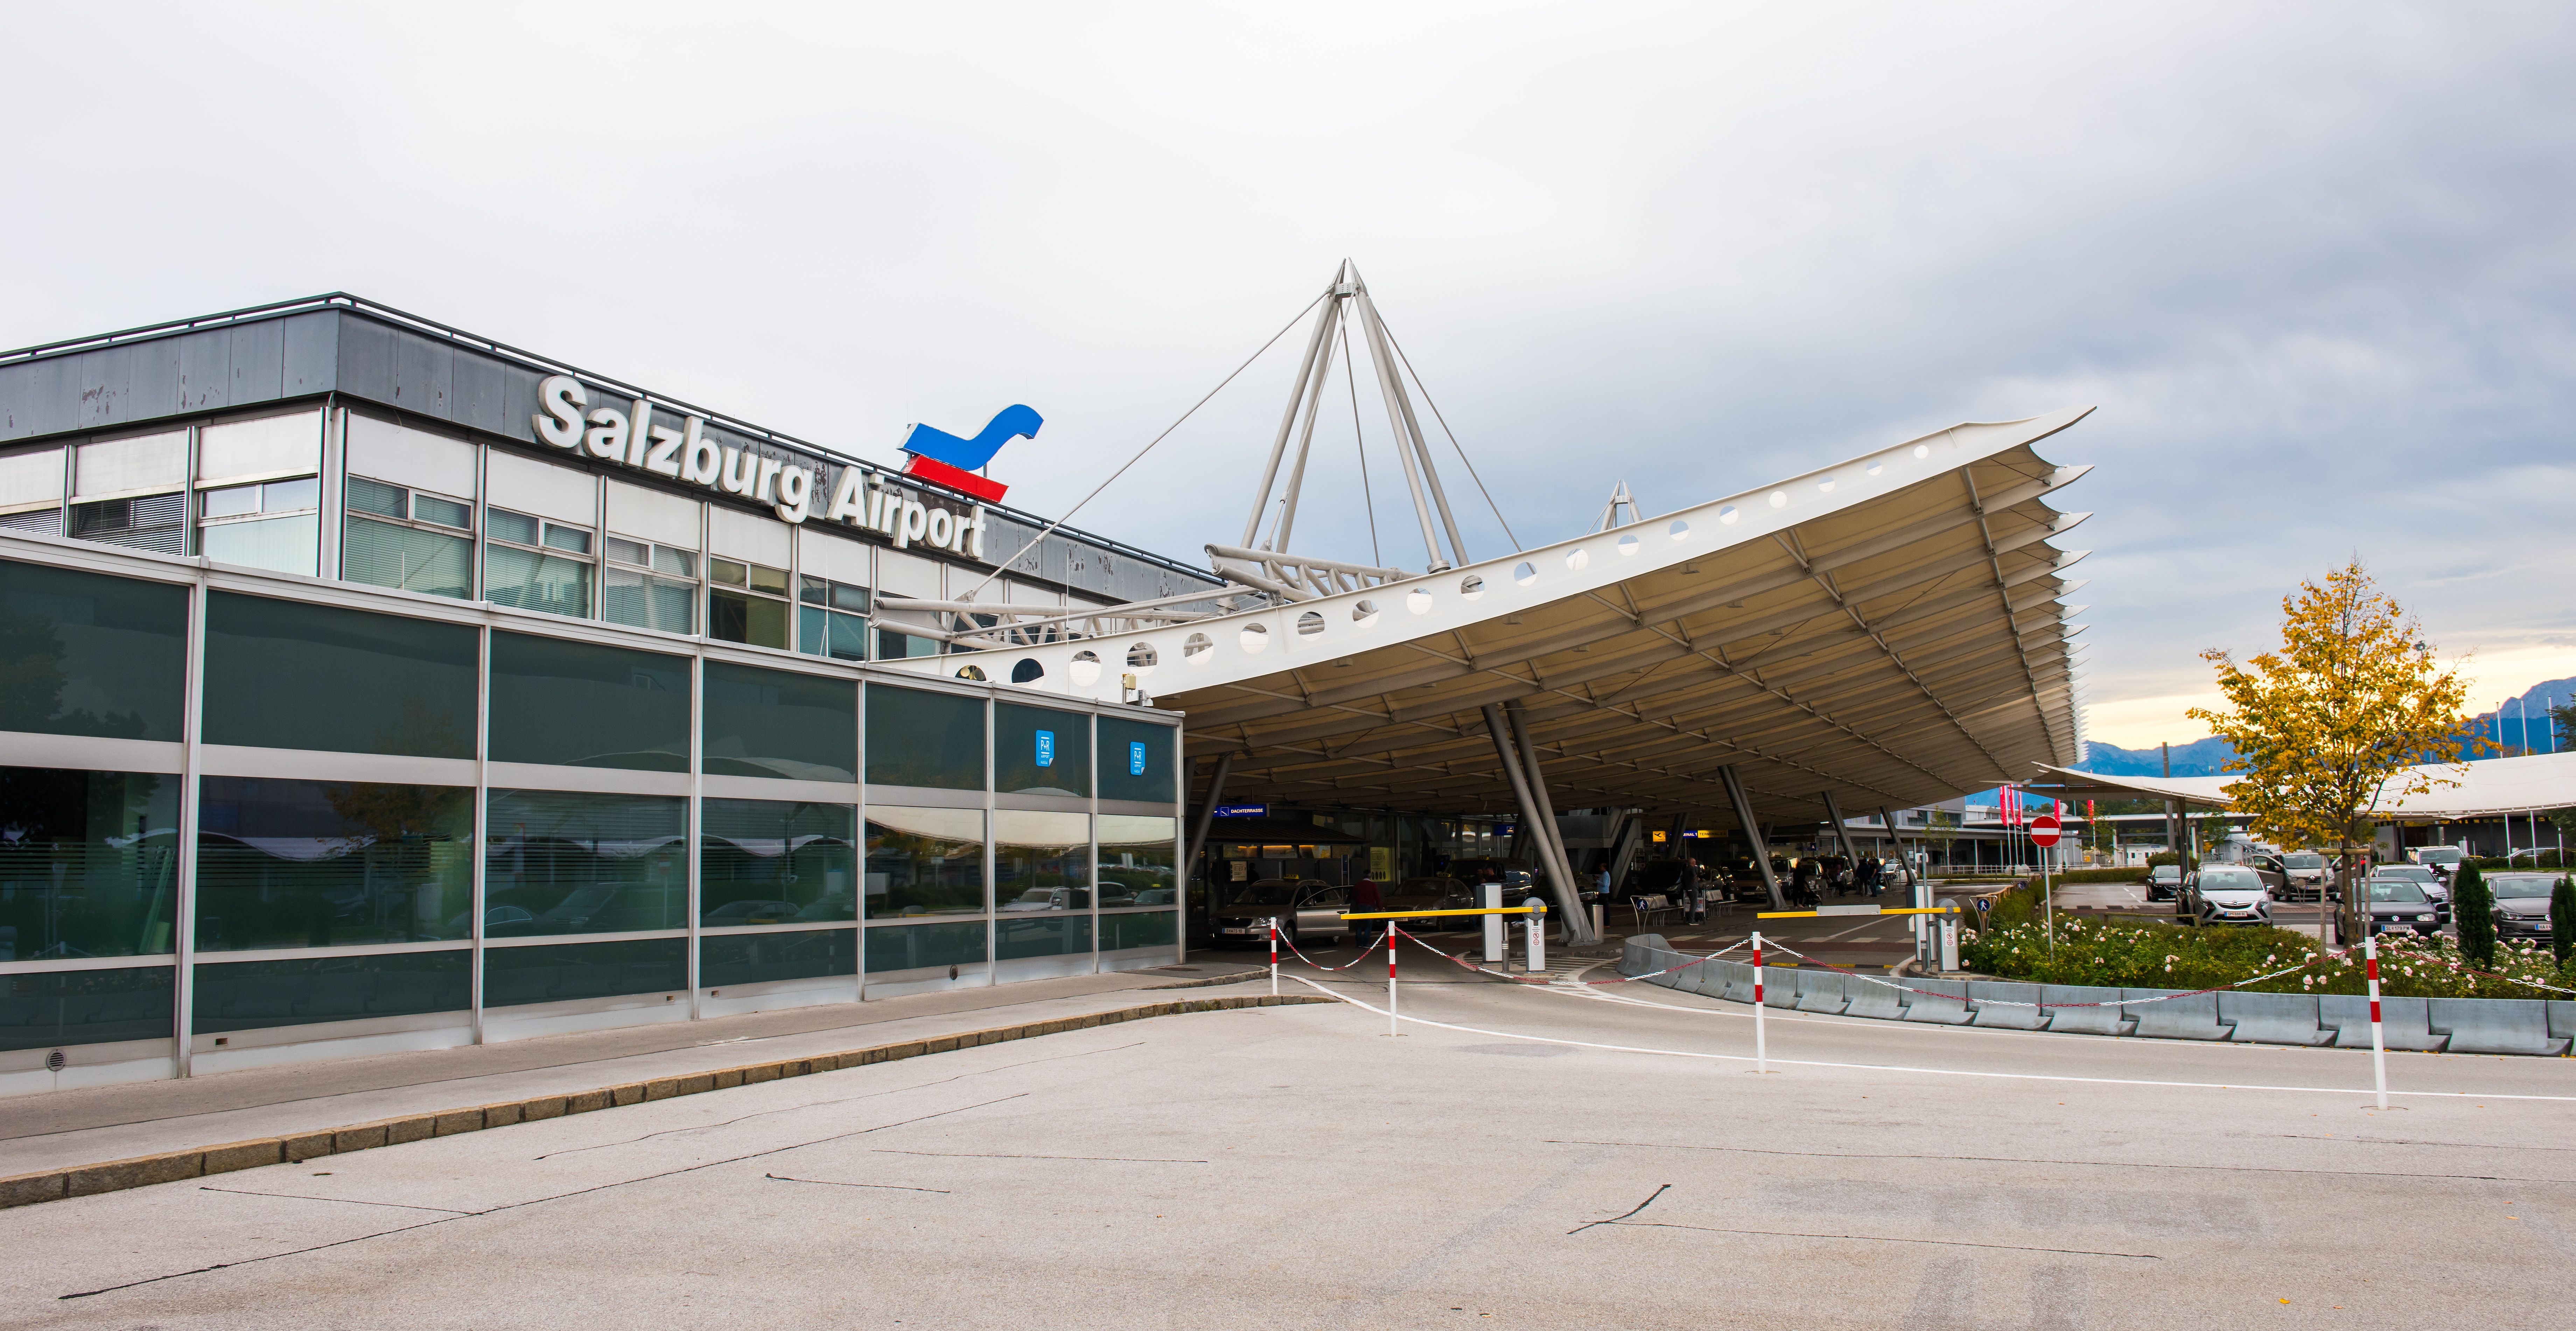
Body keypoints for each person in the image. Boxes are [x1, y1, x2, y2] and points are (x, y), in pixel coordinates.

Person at [1351, 876, 1384, 952]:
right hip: (1370, 906)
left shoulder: (1358, 885)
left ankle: (1359, 944)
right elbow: (1377, 897)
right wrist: (1380, 908)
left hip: (1360, 906)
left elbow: (1354, 897)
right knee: (1368, 926)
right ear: (1370, 877)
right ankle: (1366, 944)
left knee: (1359, 925)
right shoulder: (1373, 885)